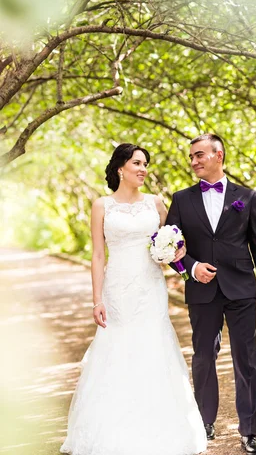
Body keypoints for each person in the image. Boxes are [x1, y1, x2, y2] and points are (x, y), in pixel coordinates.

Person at [60, 143, 207, 455]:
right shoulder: (101, 205)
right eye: (137, 163)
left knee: (153, 346)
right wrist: (96, 299)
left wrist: (180, 260)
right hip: (116, 288)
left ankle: (161, 426)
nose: (143, 169)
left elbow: (174, 244)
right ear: (120, 169)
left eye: (145, 164)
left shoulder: (156, 203)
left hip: (150, 287)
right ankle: (112, 429)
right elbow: (98, 255)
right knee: (116, 349)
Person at [166, 133, 256, 455]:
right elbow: (169, 247)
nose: (194, 161)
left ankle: (249, 432)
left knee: (247, 360)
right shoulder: (181, 199)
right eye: (191, 156)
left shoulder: (246, 196)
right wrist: (191, 268)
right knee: (204, 357)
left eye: (199, 155)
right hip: (202, 290)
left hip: (241, 288)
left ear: (219, 155)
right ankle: (204, 423)